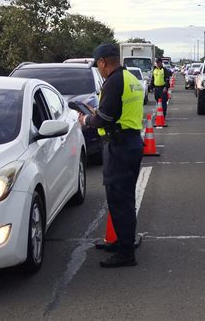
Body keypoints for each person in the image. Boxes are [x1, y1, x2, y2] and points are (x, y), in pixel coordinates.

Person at [78, 44, 144, 267]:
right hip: (130, 141)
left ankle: (126, 253)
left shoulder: (114, 81)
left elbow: (103, 118)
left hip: (119, 145)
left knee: (119, 199)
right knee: (124, 198)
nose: (98, 69)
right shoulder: (130, 78)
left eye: (97, 65)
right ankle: (122, 242)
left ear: (103, 62)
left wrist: (86, 120)